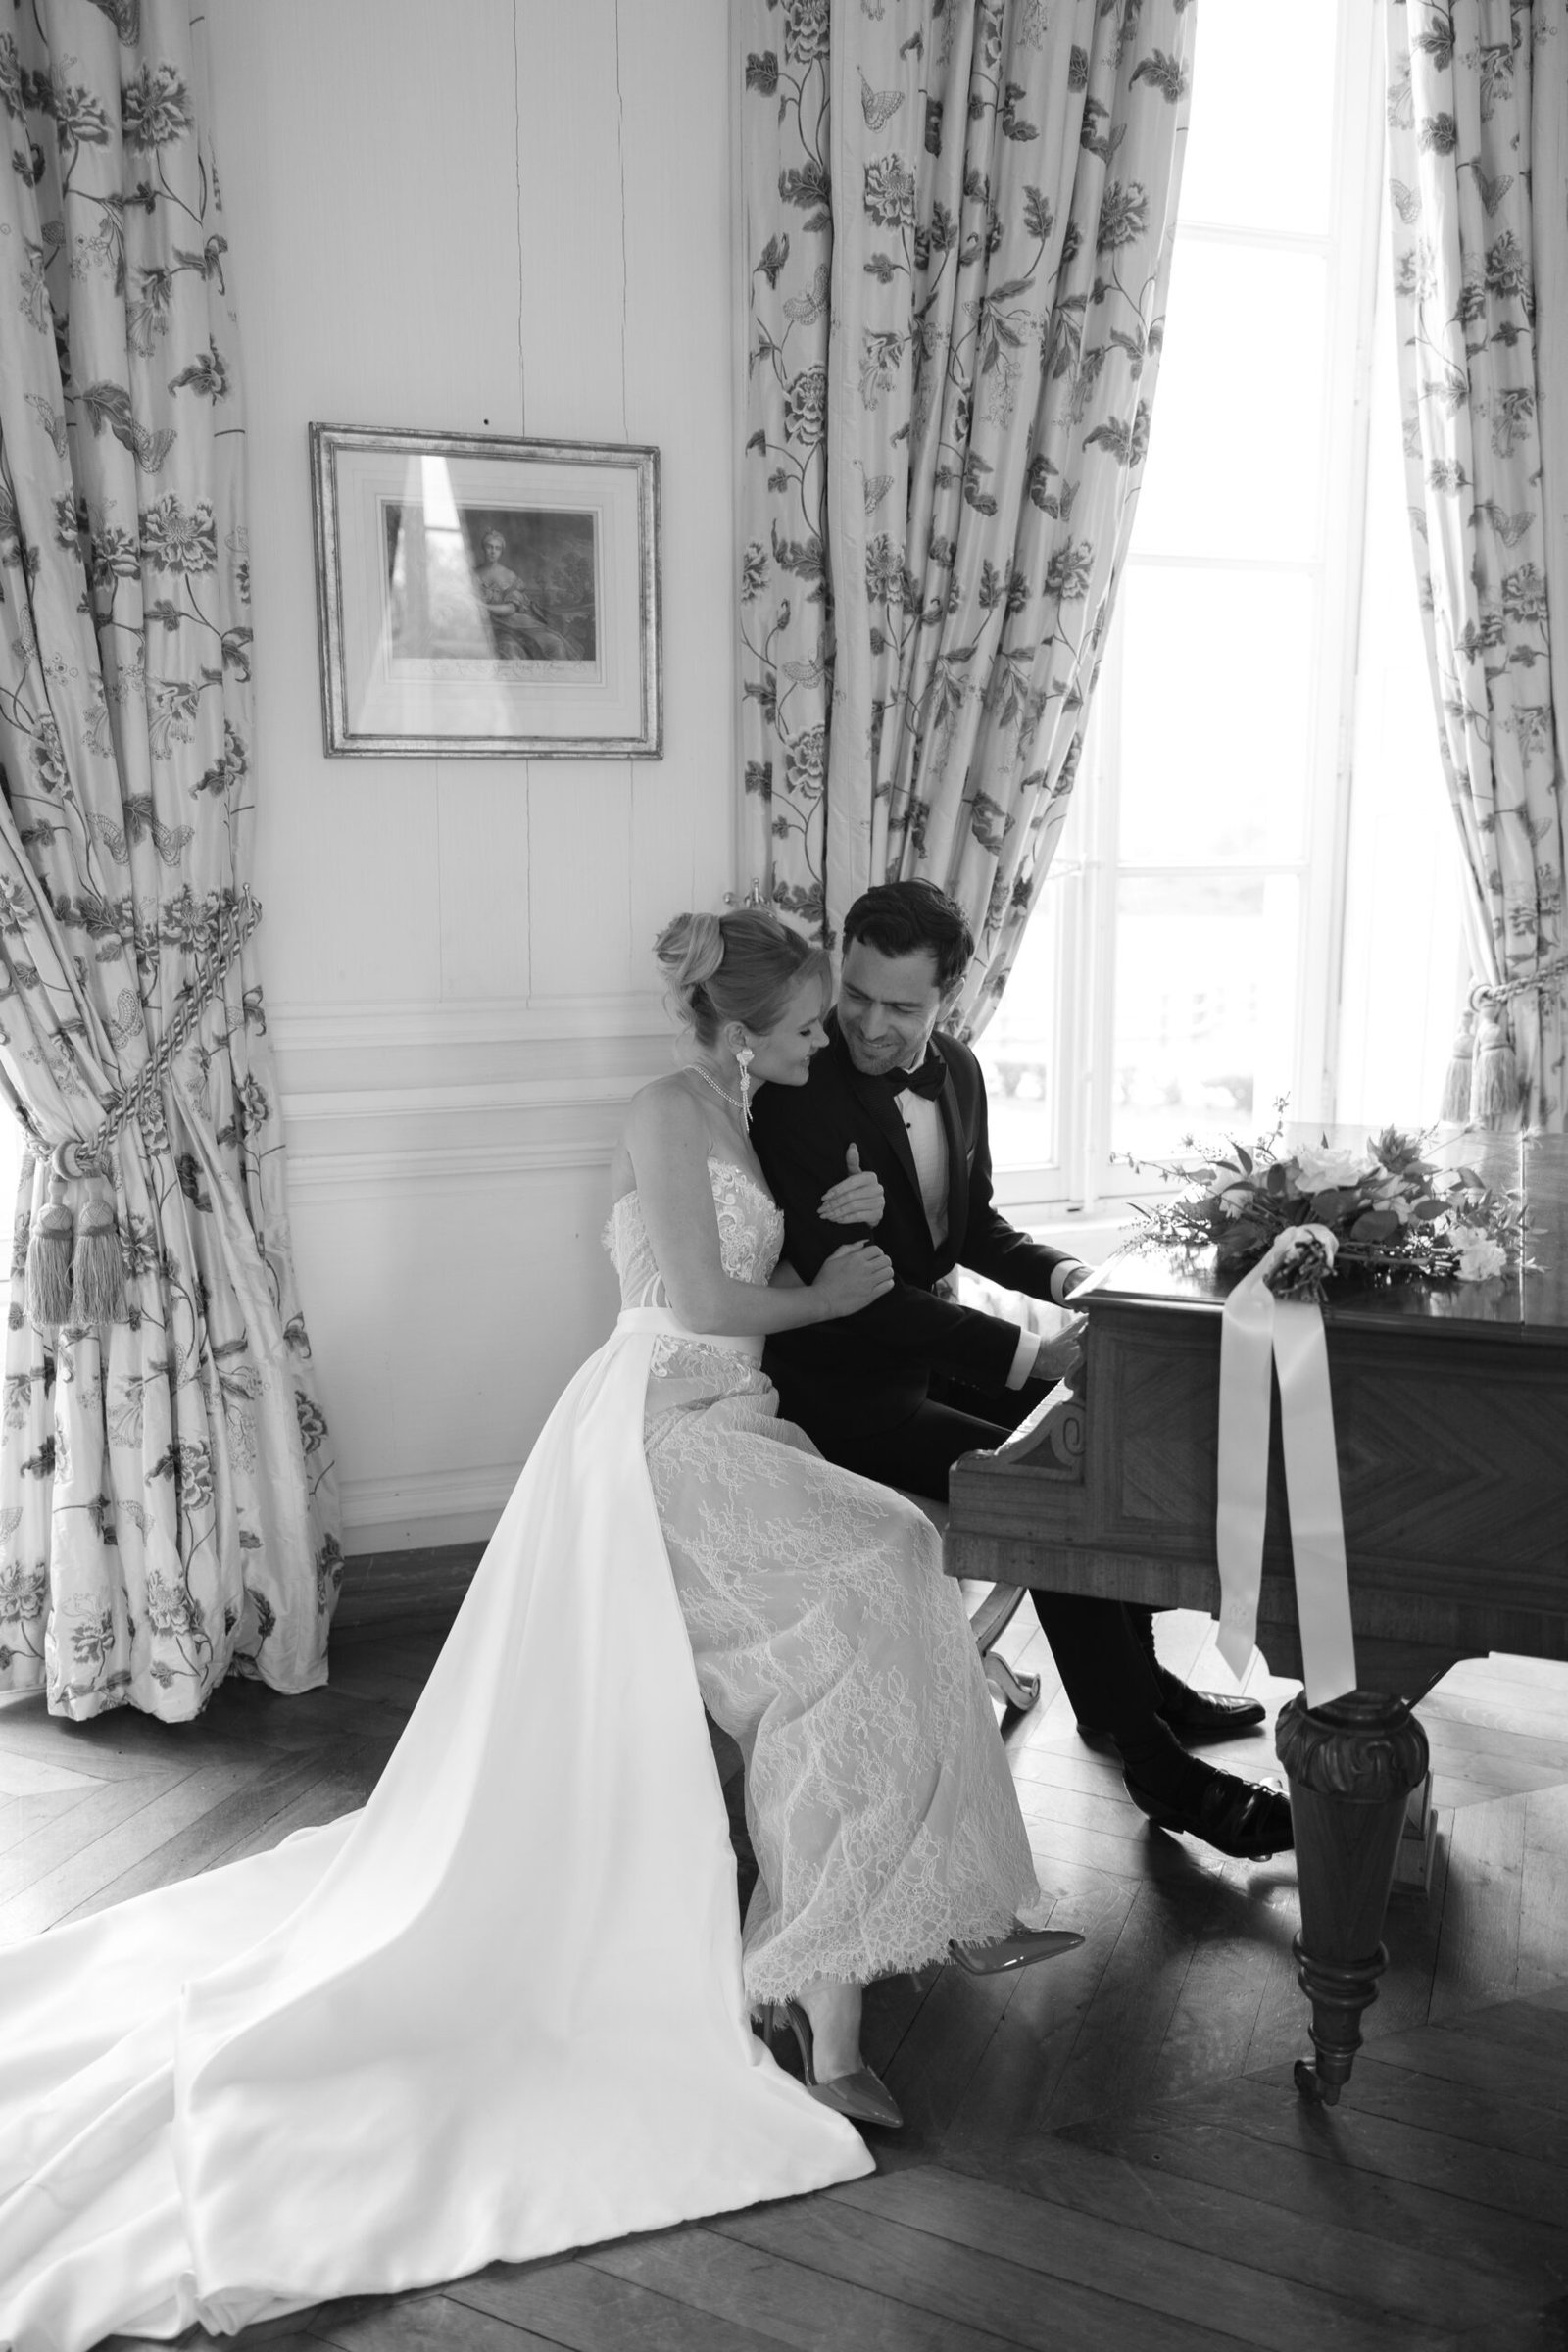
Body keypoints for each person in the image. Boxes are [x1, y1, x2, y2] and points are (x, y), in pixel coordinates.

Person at [0, 906, 1079, 2351]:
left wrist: (826, 1237)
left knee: (886, 1569)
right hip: (662, 1427)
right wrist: (825, 1282)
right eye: (813, 1022)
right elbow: (697, 1298)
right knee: (881, 1564)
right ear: (747, 1026)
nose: (828, 1045)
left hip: (733, 1416)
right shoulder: (661, 1108)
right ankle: (820, 1983)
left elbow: (740, 1265)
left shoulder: (733, 1107)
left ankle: (849, 1949)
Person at [750, 879, 1293, 1864]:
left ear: (948, 1000)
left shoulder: (956, 1071)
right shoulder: (798, 1092)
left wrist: (1065, 1276)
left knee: (1101, 1434)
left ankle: (1137, 1691)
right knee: (1051, 1490)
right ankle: (1155, 1765)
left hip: (926, 1348)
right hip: (843, 1389)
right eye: (857, 995)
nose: (867, 1024)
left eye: (900, 1007)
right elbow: (857, 1294)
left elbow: (974, 1226)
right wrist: (1026, 1353)